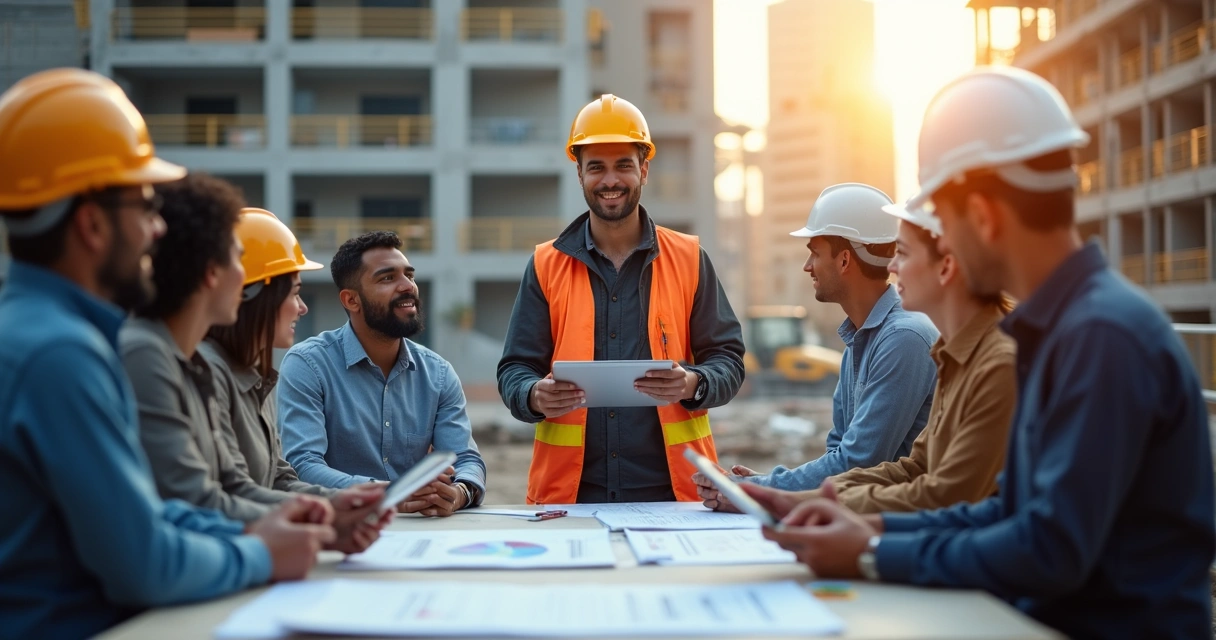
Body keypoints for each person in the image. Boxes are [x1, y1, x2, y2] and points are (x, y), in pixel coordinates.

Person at [748, 66, 1216, 639]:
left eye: (940, 223)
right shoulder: (1056, 332)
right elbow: (1006, 513)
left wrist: (869, 551)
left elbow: (1049, 548)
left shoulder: (1100, 338)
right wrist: (863, 530)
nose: (929, 248)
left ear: (985, 217)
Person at [0, 68, 332, 638]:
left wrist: (269, 526)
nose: (158, 231)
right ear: (91, 225)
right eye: (145, 209)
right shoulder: (61, 356)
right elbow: (143, 563)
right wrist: (261, 553)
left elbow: (147, 516)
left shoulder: (42, 334)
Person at [497, 94, 746, 504]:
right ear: (579, 174)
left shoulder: (688, 258)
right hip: (570, 500)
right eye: (596, 167)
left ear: (644, 170)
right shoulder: (545, 264)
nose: (610, 180)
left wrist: (692, 382)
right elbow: (514, 369)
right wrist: (533, 395)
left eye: (623, 166)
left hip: (676, 497)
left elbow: (728, 360)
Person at [121, 175, 387, 553]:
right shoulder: (162, 359)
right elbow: (197, 501)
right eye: (234, 258)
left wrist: (331, 507)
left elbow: (242, 484)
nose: (302, 307)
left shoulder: (239, 372)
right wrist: (316, 525)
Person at [700, 202, 1015, 515]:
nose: (891, 267)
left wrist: (773, 494)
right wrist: (771, 490)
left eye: (903, 254)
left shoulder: (916, 340)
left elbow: (923, 487)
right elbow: (911, 468)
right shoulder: (938, 353)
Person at [699, 183, 938, 498]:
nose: (807, 265)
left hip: (899, 527)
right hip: (865, 515)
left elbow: (858, 463)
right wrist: (768, 485)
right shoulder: (860, 342)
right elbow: (837, 454)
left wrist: (758, 489)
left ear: (844, 261)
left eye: (814, 252)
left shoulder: (904, 338)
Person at [279, 231, 487, 516]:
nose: (407, 286)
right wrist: (388, 494)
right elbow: (303, 466)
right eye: (387, 278)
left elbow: (465, 458)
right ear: (351, 300)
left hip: (420, 530)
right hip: (340, 528)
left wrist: (459, 493)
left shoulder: (437, 373)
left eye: (409, 276)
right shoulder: (308, 364)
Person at [201, 208, 330, 495]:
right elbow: (233, 492)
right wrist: (329, 510)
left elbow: (278, 479)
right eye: (295, 293)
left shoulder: (257, 375)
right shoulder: (208, 372)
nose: (302, 308)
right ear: (256, 293)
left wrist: (351, 500)